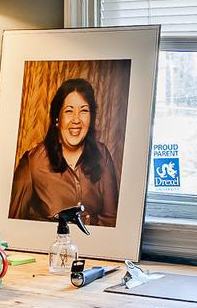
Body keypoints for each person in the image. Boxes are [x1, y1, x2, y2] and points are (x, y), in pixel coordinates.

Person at [9, 76, 120, 226]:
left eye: (84, 111)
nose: (76, 120)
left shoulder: (102, 155)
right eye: (69, 111)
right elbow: (13, 224)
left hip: (94, 247)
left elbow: (111, 219)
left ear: (91, 118)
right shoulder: (32, 162)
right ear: (57, 118)